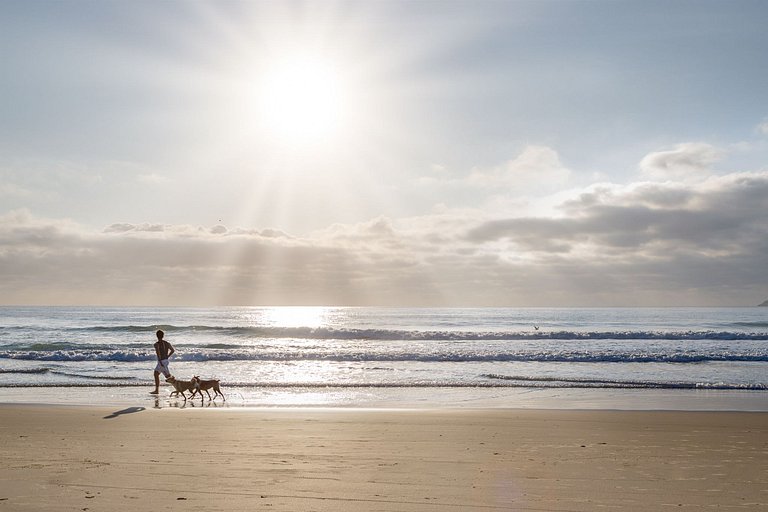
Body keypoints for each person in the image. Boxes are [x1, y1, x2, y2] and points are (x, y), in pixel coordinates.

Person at [150, 329, 175, 394]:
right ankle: (178, 387)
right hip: (166, 361)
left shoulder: (156, 344)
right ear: (163, 336)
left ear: (156, 336)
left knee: (156, 374)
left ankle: (157, 390)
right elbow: (172, 350)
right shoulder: (167, 343)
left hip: (161, 361)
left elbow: (158, 353)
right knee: (168, 377)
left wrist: (160, 362)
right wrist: (168, 356)